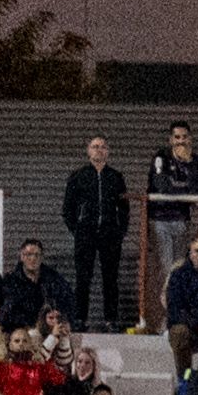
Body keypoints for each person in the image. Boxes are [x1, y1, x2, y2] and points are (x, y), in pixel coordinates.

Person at [64, 135, 128, 330]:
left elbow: (124, 208)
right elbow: (68, 208)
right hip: (86, 234)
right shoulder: (78, 176)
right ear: (88, 150)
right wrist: (78, 229)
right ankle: (80, 319)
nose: (99, 150)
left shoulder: (116, 177)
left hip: (110, 234)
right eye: (95, 146)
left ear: (108, 151)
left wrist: (120, 231)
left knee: (111, 278)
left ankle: (111, 320)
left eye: (102, 147)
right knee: (83, 277)